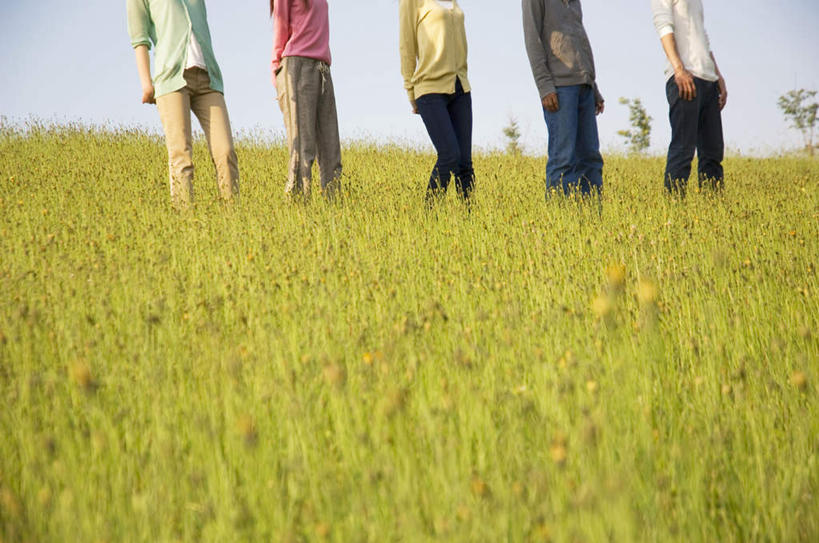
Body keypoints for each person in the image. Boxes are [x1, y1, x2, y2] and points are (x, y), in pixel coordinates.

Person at [127, 0, 240, 209]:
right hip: (172, 78)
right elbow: (139, 39)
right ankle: (185, 222)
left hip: (208, 78)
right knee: (182, 156)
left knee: (225, 152)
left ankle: (233, 220)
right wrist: (146, 84)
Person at [522, 0, 605, 198]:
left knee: (591, 159)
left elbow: (578, 39)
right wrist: (544, 85)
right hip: (559, 88)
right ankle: (561, 219)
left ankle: (592, 220)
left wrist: (593, 87)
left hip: (584, 86)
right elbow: (532, 39)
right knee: (563, 159)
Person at [400, 0, 474, 204]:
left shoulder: (452, 2)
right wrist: (410, 90)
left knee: (465, 164)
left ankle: (471, 223)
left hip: (460, 87)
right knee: (449, 156)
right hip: (429, 88)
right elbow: (406, 45)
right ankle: (429, 218)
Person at [651, 0, 727, 195]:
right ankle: (674, 213)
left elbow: (703, 37)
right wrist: (679, 69)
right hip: (684, 79)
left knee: (713, 152)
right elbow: (663, 27)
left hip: (708, 79)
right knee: (683, 149)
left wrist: (717, 75)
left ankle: (714, 212)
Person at [272, 0, 342, 201]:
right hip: (297, 67)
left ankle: (335, 214)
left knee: (331, 152)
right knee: (303, 151)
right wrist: (277, 74)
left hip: (323, 70)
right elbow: (280, 29)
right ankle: (296, 213)